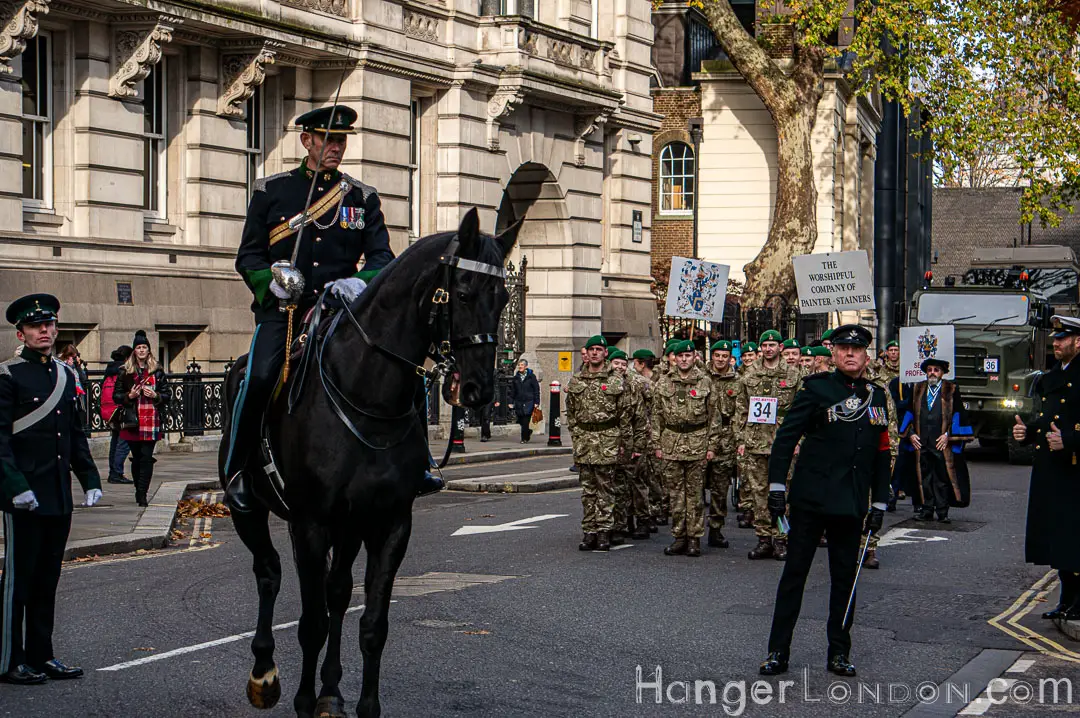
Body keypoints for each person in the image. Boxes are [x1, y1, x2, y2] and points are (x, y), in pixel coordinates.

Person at [228, 105, 414, 488]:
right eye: (327, 139)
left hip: (341, 313)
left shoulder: (361, 198)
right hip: (286, 313)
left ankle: (419, 463)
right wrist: (272, 281)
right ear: (306, 141)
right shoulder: (272, 192)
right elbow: (248, 257)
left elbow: (382, 257)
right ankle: (239, 471)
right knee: (260, 377)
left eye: (341, 140)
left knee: (404, 371)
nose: (336, 147)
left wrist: (357, 283)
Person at [759, 324, 892, 678]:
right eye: (844, 349)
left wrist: (879, 503)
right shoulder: (816, 390)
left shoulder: (876, 396)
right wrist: (776, 487)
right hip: (811, 499)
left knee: (844, 581)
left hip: (849, 502)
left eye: (857, 349)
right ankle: (778, 650)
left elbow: (881, 453)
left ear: (866, 355)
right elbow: (786, 439)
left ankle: (839, 652)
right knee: (794, 576)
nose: (850, 354)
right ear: (833, 354)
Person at [0, 294, 101, 685]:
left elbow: (75, 435)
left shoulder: (65, 374)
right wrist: (14, 486)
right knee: (17, 582)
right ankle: (9, 659)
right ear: (21, 332)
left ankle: (43, 655)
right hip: (24, 496)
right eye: (36, 326)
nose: (45, 331)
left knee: (47, 581)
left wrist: (89, 478)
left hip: (57, 494)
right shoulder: (8, 376)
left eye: (50, 325)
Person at [1013, 315, 1080, 621]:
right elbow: (1049, 417)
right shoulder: (1054, 374)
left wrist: (1069, 440)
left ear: (1078, 342)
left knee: (1074, 537)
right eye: (1055, 338)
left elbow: (1067, 427)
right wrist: (1027, 432)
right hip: (1054, 469)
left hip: (1074, 471)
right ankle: (1067, 600)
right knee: (1060, 538)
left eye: (1062, 339)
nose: (1055, 343)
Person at [652, 340, 722, 557]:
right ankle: (679, 536)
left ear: (695, 358)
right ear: (674, 358)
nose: (683, 359)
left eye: (688, 356)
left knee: (694, 495)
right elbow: (656, 415)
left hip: (697, 441)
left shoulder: (705, 382)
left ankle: (694, 538)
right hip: (671, 442)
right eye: (680, 356)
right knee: (675, 495)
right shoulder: (664, 383)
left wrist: (712, 445)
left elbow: (714, 417)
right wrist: (656, 443)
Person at [737, 330, 800, 560]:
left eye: (773, 345)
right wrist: (741, 440)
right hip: (756, 442)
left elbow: (801, 412)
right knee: (759, 494)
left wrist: (797, 441)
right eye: (765, 345)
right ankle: (763, 538)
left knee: (782, 493)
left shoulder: (793, 374)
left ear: (780, 348)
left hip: (783, 442)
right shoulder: (749, 374)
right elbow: (741, 410)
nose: (768, 349)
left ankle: (781, 539)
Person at [565, 336, 633, 551]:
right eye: (591, 349)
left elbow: (625, 414)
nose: (595, 353)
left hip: (608, 439)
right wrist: (576, 436)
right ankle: (589, 531)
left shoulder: (615, 380)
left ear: (605, 354)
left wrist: (624, 443)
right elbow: (572, 412)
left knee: (606, 488)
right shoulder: (577, 380)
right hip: (585, 440)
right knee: (587, 489)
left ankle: (604, 531)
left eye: (599, 350)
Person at [900, 358, 972, 523]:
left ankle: (942, 511)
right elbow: (908, 413)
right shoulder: (917, 389)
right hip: (921, 442)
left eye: (936, 370)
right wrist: (910, 433)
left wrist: (948, 436)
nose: (932, 373)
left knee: (942, 478)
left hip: (941, 442)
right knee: (923, 477)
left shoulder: (951, 390)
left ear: (942, 373)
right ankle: (926, 509)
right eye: (930, 369)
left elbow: (958, 415)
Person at [114, 331, 168, 508]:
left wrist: (156, 395)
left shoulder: (157, 371)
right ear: (134, 351)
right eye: (139, 347)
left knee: (146, 457)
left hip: (151, 419)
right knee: (137, 457)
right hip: (132, 420)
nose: (142, 350)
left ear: (149, 350)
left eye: (145, 347)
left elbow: (167, 395)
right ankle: (138, 487)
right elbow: (116, 396)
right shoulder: (125, 371)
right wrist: (130, 395)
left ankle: (142, 493)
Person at [608, 349, 650, 541]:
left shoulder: (635, 386)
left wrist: (639, 447)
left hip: (632, 443)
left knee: (636, 482)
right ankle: (619, 524)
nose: (619, 367)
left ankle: (641, 519)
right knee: (616, 486)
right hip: (609, 443)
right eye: (616, 363)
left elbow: (641, 419)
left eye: (623, 364)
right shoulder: (604, 384)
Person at [707, 340, 738, 548]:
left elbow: (741, 410)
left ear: (730, 358)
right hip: (702, 435)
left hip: (726, 437)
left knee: (720, 487)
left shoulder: (739, 380)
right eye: (717, 355)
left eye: (724, 356)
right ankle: (689, 530)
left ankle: (715, 529)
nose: (720, 359)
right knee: (693, 488)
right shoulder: (701, 377)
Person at [632, 349, 663, 533]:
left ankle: (656, 510)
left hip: (654, 435)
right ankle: (648, 513)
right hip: (641, 436)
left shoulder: (657, 382)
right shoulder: (634, 382)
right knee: (642, 476)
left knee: (654, 477)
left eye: (634, 363)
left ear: (641, 364)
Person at [100, 346, 133, 484]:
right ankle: (117, 473)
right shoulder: (124, 371)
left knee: (115, 442)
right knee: (124, 442)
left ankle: (113, 472)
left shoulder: (109, 370)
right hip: (120, 409)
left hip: (109, 411)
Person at [508, 358, 540, 443]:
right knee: (520, 420)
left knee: (525, 421)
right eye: (519, 365)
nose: (520, 366)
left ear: (526, 366)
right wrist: (510, 402)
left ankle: (524, 438)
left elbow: (536, 390)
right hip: (519, 402)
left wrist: (536, 402)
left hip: (529, 402)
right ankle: (528, 432)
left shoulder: (531, 377)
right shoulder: (516, 378)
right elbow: (513, 391)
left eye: (522, 365)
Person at [58, 345, 89, 430]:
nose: (74, 359)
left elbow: (84, 379)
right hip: (67, 397)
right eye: (73, 357)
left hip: (78, 397)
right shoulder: (60, 365)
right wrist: (68, 365)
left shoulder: (75, 367)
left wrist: (78, 366)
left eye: (75, 357)